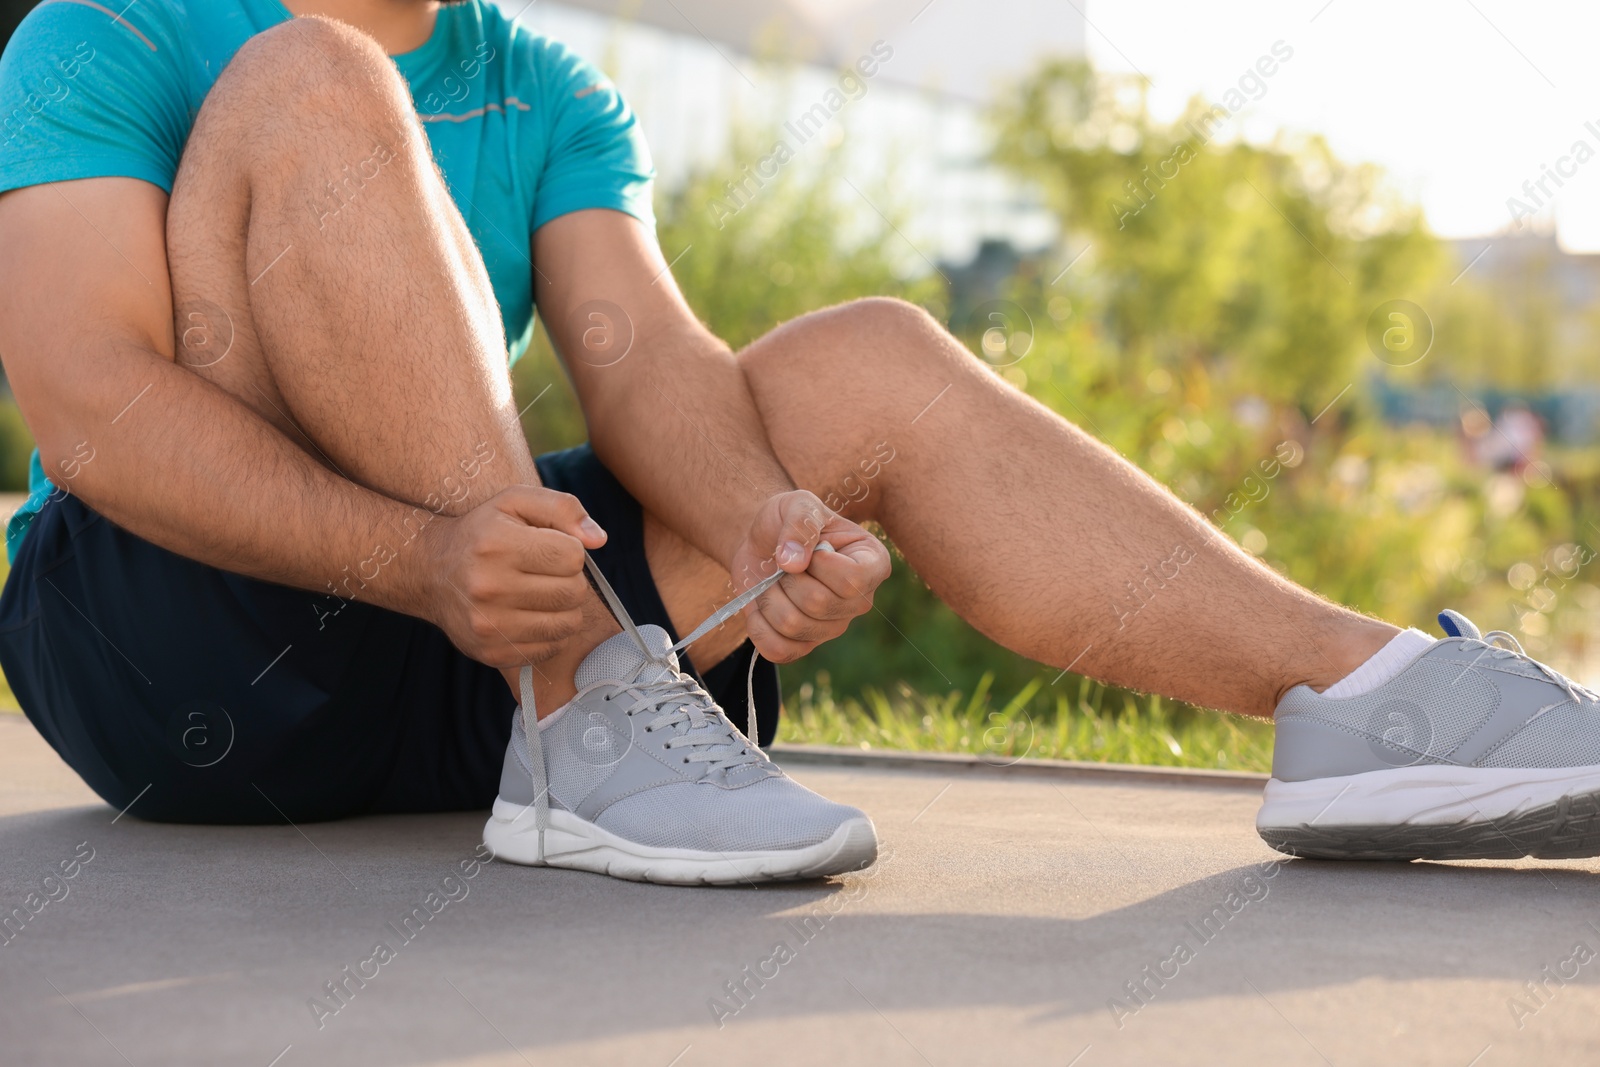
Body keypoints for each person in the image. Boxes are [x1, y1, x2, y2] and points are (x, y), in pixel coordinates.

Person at [0, 0, 1596, 886]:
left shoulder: (543, 82)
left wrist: (762, 517)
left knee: (868, 365)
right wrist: (427, 553)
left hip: (469, 637)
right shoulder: (112, 30)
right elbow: (92, 405)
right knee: (313, 83)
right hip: (174, 647)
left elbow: (645, 361)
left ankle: (1373, 701)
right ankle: (587, 711)